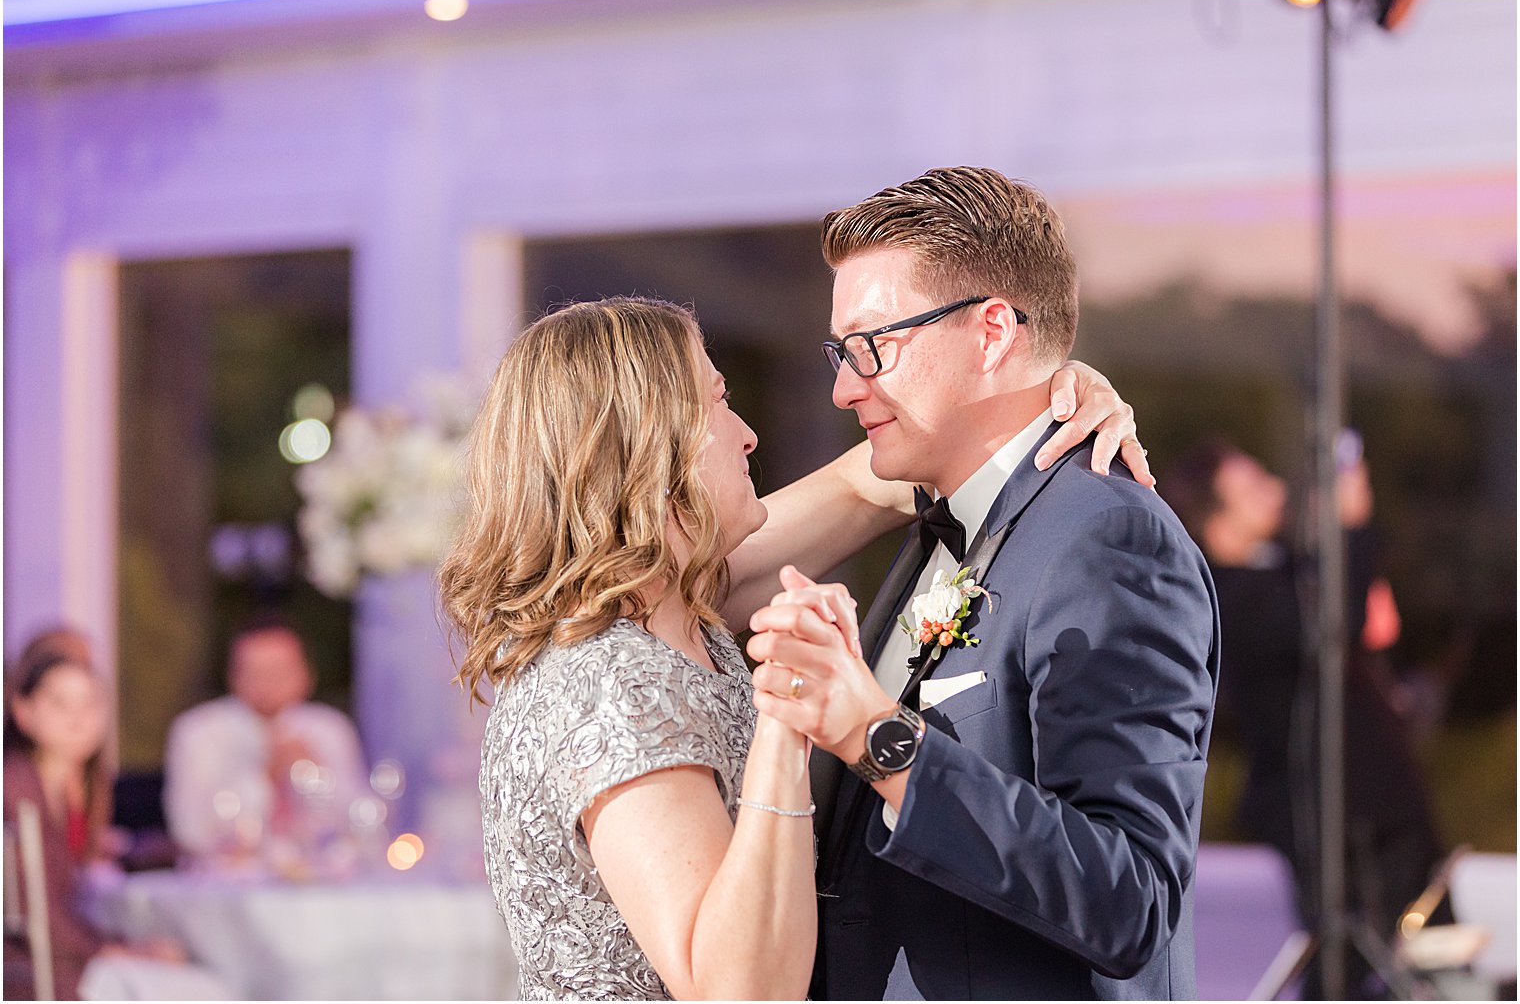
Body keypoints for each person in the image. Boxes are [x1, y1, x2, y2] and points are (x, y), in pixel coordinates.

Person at [439, 295, 1151, 1000]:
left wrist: (1042, 399)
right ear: (645, 442)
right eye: (717, 402)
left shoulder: (677, 606)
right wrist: (785, 723)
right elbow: (739, 993)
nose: (746, 434)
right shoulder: (611, 684)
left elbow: (864, 484)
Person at [744, 167, 1221, 999]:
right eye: (839, 351)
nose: (844, 385)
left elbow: (1131, 899)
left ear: (992, 331)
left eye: (872, 346)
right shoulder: (950, 517)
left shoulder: (1108, 537)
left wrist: (875, 735)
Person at [1166, 436, 1447, 997]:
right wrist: (1348, 530)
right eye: (1251, 486)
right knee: (1358, 961)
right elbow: (1323, 628)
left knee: (1425, 952)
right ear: (1216, 523)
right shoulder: (1225, 593)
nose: (1275, 489)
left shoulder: (1283, 571)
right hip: (1329, 817)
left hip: (1378, 807)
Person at [3, 645, 185, 999]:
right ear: (23, 712)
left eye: (90, 704)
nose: (78, 718)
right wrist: (118, 949)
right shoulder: (13, 792)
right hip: (28, 970)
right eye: (60, 703)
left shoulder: (86, 787)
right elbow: (32, 909)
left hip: (68, 955)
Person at [162, 616, 368, 864]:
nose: (268, 683)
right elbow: (190, 831)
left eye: (279, 671)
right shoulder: (199, 732)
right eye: (255, 672)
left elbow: (361, 823)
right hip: (227, 887)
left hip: (317, 880)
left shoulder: (329, 729)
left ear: (306, 674)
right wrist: (264, 777)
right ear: (233, 676)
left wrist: (317, 775)